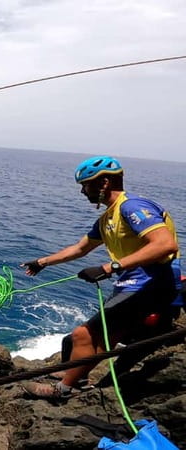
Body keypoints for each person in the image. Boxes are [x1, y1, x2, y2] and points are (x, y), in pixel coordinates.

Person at [20, 156, 181, 400]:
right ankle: (75, 377)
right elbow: (80, 248)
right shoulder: (107, 218)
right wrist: (42, 262)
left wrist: (110, 267)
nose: (83, 191)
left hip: (152, 284)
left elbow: (164, 244)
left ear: (104, 182)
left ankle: (62, 390)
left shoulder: (132, 207)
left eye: (86, 185)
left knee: (83, 335)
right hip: (133, 285)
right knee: (89, 338)